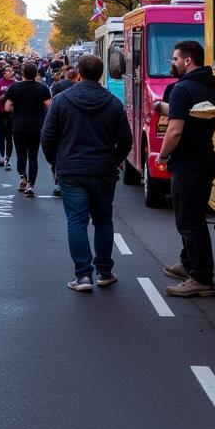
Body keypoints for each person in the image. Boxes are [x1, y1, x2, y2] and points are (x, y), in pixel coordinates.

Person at [41, 55, 132, 292]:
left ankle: (83, 275)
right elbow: (125, 140)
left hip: (72, 169)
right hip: (103, 169)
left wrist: (56, 163)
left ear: (78, 73)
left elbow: (48, 136)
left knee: (77, 222)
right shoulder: (113, 103)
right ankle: (104, 271)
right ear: (101, 74)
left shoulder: (61, 100)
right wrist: (115, 160)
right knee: (103, 220)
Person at [155, 40, 215, 298]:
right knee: (193, 216)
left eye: (174, 59)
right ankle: (187, 264)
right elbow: (192, 114)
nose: (172, 63)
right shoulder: (209, 87)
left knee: (189, 221)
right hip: (206, 156)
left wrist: (163, 154)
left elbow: (175, 129)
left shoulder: (181, 89)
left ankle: (201, 278)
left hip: (188, 163)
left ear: (187, 60)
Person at [4, 61, 51, 197]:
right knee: (33, 156)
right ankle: (31, 185)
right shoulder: (42, 88)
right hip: (36, 126)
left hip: (19, 125)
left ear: (22, 73)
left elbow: (7, 107)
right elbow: (49, 106)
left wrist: (18, 109)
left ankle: (22, 178)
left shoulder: (14, 88)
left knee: (21, 155)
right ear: (36, 74)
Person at [0, 64, 17, 169]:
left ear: (13, 72)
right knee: (1, 136)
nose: (7, 72)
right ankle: (2, 157)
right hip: (1, 111)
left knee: (9, 137)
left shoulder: (15, 84)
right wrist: (3, 96)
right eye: (5, 70)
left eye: (9, 70)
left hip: (11, 113)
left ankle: (8, 158)